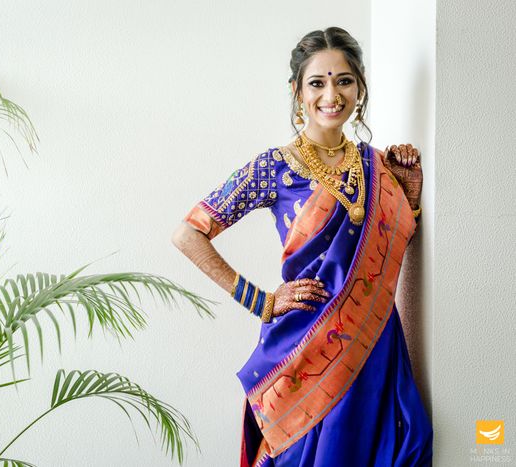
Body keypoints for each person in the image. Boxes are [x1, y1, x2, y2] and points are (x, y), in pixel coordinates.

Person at [171, 26, 433, 466]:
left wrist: (408, 199)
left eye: (344, 80)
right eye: (317, 82)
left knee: (403, 441)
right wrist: (262, 301)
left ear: (360, 88)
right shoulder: (272, 167)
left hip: (373, 341)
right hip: (306, 345)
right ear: (296, 92)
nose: (331, 94)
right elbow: (188, 234)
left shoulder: (379, 166)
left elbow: (385, 253)